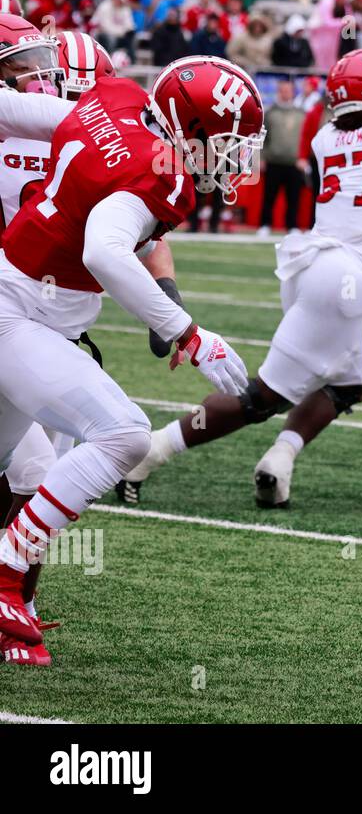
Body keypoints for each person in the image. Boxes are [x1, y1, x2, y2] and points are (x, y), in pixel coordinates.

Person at [119, 50, 362, 508]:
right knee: (259, 398)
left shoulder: (325, 138)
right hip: (347, 277)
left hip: (312, 266)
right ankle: (149, 452)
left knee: (347, 384)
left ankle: (279, 459)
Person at [0, 52, 263, 652]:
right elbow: (105, 253)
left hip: (20, 300)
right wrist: (189, 335)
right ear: (192, 129)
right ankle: (7, 571)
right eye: (230, 140)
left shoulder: (117, 99)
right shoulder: (160, 174)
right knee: (123, 435)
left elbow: (14, 108)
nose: (237, 155)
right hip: (19, 316)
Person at [259, 79, 307, 236]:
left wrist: (303, 157)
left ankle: (292, 226)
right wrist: (261, 157)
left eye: (288, 90)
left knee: (293, 198)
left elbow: (306, 138)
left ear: (293, 92)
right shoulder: (270, 112)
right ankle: (265, 225)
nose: (285, 93)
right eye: (283, 90)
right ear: (279, 91)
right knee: (269, 197)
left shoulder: (301, 114)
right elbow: (262, 137)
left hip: (294, 162)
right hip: (274, 161)